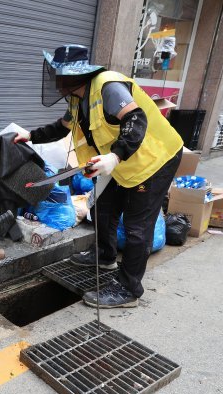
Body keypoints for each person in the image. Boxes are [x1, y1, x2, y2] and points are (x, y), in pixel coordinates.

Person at [15, 44, 183, 308]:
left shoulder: (108, 85)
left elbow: (136, 119)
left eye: (60, 73)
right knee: (103, 207)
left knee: (137, 226)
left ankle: (129, 289)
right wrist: (31, 136)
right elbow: (62, 128)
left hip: (154, 160)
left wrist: (114, 157)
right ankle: (105, 256)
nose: (55, 80)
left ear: (74, 74)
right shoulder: (77, 98)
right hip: (119, 163)